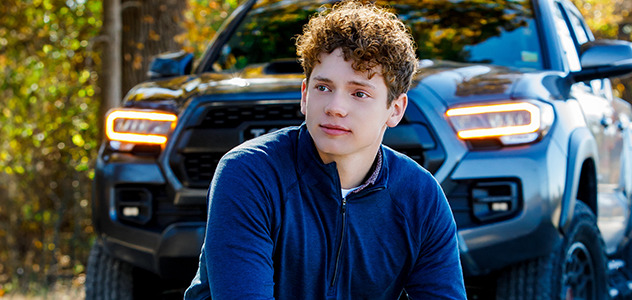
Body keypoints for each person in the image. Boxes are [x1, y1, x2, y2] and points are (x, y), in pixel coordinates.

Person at [184, 1, 466, 299]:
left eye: (359, 93)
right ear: (304, 95)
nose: (335, 108)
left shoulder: (420, 196)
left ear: (395, 109)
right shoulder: (250, 173)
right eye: (323, 88)